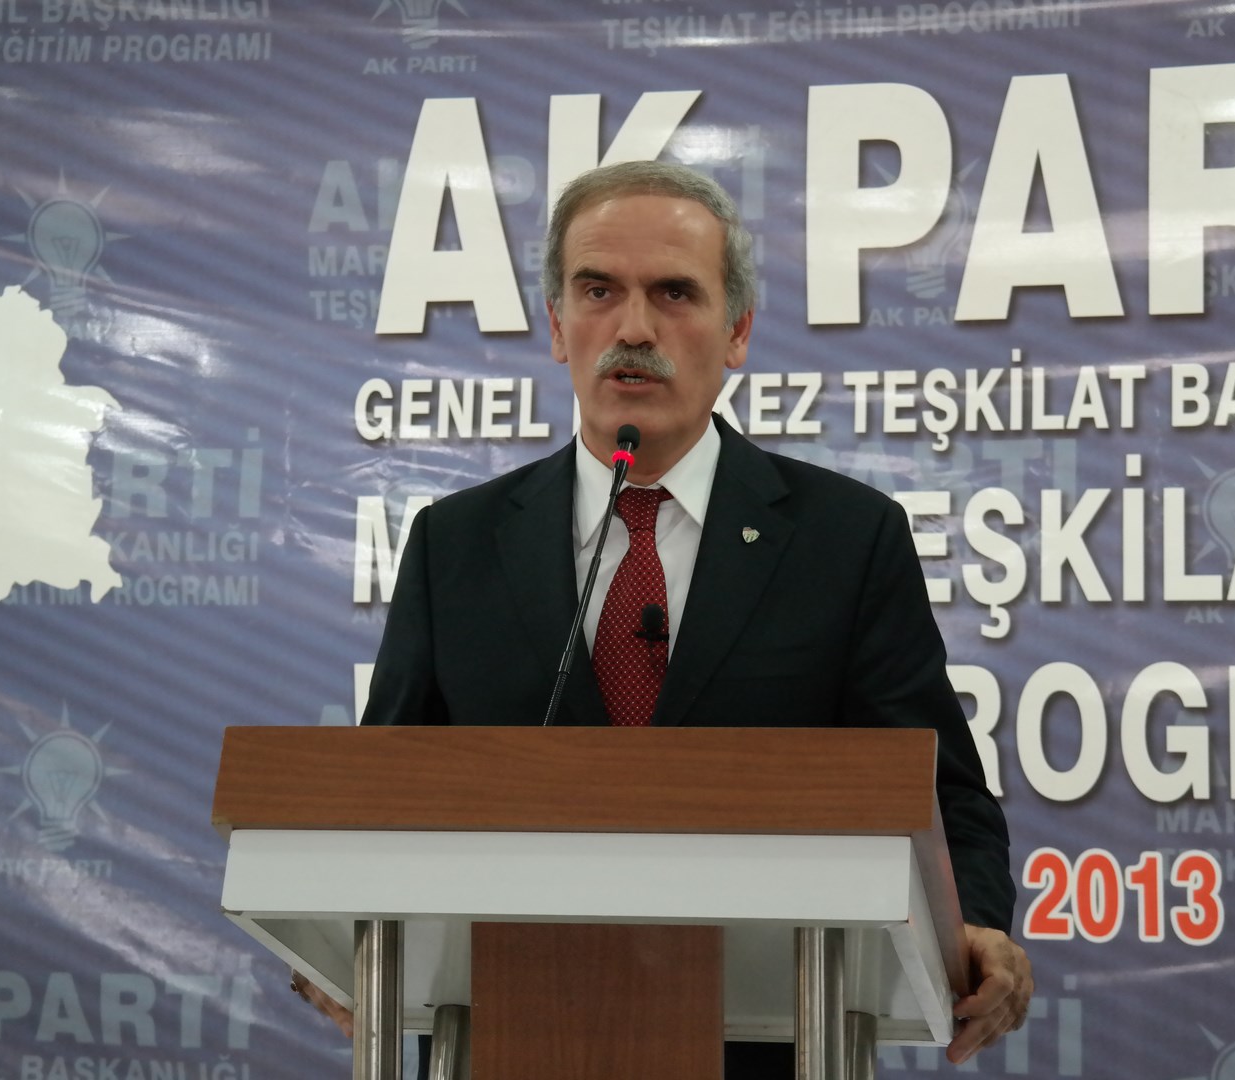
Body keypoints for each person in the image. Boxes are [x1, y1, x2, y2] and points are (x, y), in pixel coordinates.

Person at [318, 160, 1031, 1071]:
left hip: (774, 1043)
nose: (633, 329)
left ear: (737, 332)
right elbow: (385, 794)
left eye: (674, 293)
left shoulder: (846, 541)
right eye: (598, 291)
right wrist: (344, 940)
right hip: (509, 1036)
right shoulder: (453, 545)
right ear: (557, 326)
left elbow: (943, 796)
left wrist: (973, 925)